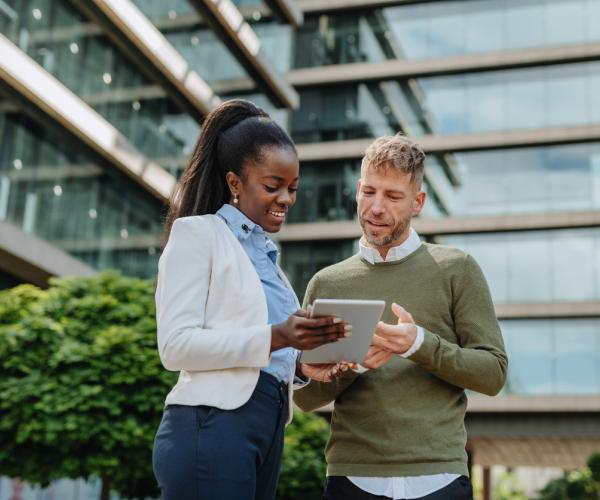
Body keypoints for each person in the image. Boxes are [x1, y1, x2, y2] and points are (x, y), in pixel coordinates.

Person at [152, 99, 353, 500]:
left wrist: (304, 364)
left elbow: (266, 351)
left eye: (292, 188)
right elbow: (175, 347)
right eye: (272, 186)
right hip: (212, 427)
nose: (286, 199)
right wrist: (279, 335)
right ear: (234, 183)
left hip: (266, 428)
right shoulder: (198, 235)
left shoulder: (268, 259)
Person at [294, 134, 508, 500]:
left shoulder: (457, 269)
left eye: (393, 197)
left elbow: (492, 374)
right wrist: (353, 365)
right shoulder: (326, 283)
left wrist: (419, 345)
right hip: (350, 480)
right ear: (358, 190)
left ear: (417, 202)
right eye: (369, 192)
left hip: (438, 478)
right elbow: (307, 398)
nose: (377, 207)